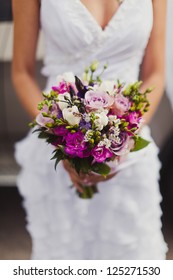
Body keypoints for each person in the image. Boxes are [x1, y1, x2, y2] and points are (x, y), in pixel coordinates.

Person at [12, 0, 168, 259]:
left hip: (130, 156)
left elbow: (155, 74)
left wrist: (123, 138)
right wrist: (62, 140)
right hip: (58, 149)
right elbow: (21, 73)